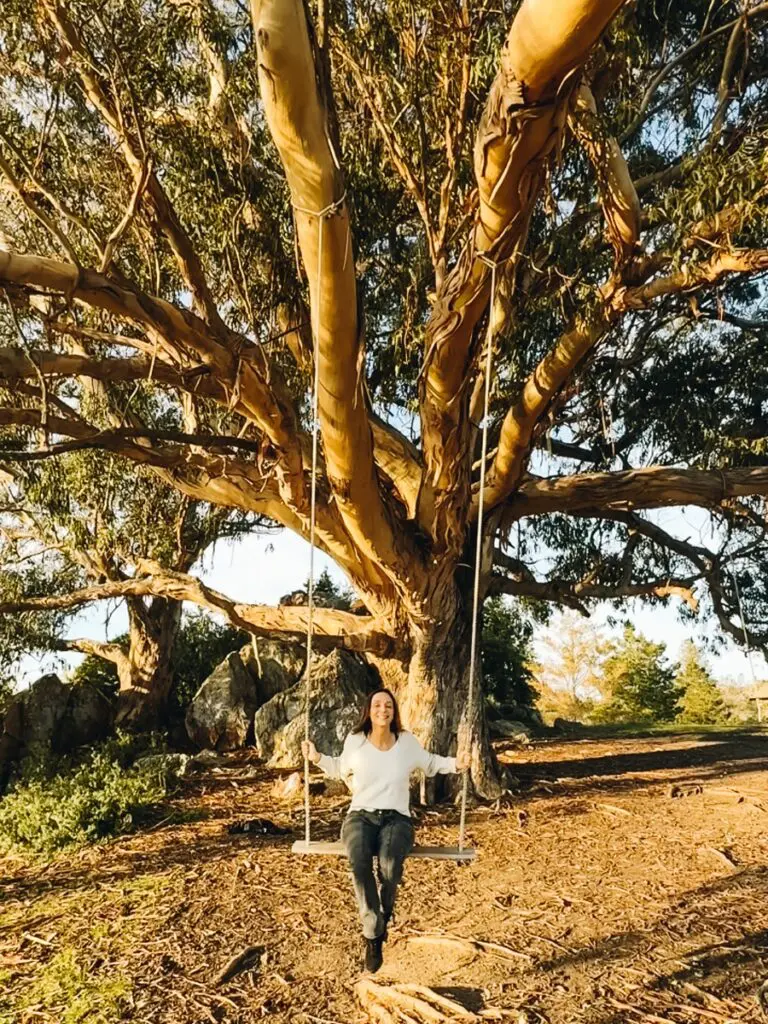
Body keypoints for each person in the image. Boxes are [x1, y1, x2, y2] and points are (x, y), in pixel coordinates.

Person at [301, 687, 469, 973]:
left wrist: (457, 763)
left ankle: (385, 910)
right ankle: (373, 932)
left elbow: (431, 763)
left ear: (394, 711)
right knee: (359, 863)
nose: (383, 709)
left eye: (388, 705)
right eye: (377, 704)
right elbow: (339, 767)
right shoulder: (356, 741)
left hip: (396, 819)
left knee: (390, 867)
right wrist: (317, 757)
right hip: (360, 817)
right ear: (369, 710)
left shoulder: (406, 742)